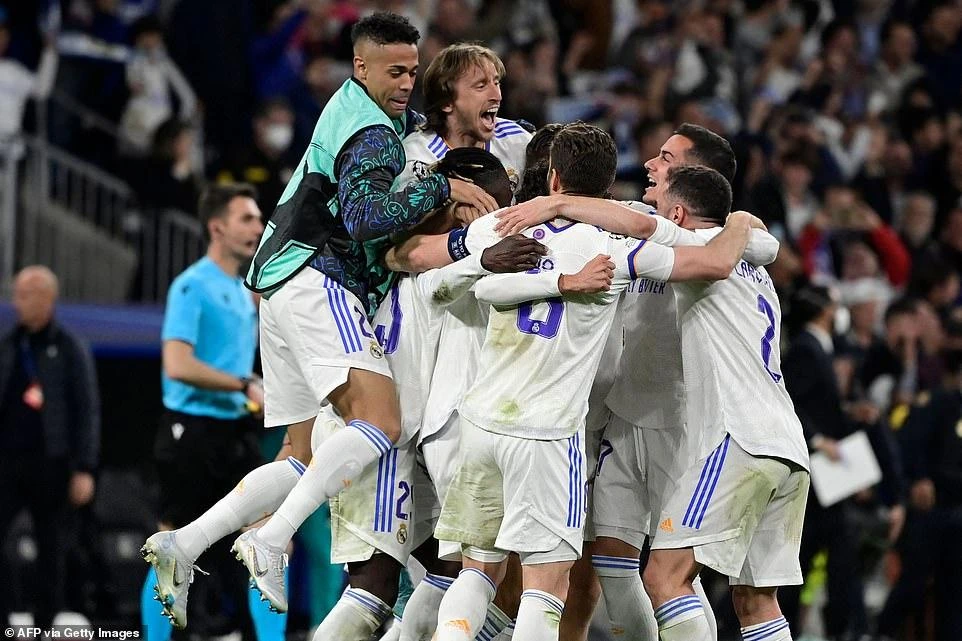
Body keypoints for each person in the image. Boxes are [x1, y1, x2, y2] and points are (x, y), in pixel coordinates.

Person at [155, 11, 496, 619]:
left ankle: (185, 543)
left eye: (412, 72)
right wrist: (442, 188)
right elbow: (365, 219)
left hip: (279, 281)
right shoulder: (373, 133)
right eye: (394, 72)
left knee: (301, 452)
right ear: (360, 66)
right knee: (381, 419)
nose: (405, 83)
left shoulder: (358, 108)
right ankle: (271, 539)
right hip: (320, 275)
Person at [431, 124, 756, 641]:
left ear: (553, 177)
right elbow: (712, 261)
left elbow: (443, 285)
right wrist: (564, 278)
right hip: (552, 431)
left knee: (478, 573)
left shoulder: (503, 229)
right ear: (606, 188)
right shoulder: (617, 247)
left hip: (484, 420)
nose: (651, 166)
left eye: (665, 158)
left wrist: (497, 258)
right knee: (548, 586)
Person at [639, 165, 810, 641]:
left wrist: (556, 203)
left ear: (678, 214)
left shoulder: (700, 247)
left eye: (661, 205)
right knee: (756, 600)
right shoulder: (758, 269)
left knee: (664, 577)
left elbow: (636, 227)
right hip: (787, 446)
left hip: (739, 439)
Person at [140, 183, 274, 636]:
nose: (258, 226)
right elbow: (177, 364)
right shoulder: (191, 285)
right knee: (172, 548)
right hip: (191, 434)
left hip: (236, 433)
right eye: (247, 218)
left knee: (266, 542)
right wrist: (244, 384)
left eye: (259, 218)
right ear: (217, 228)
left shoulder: (241, 289)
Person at [0, 266, 99, 629]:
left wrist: (85, 467)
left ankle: (44, 624)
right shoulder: (8, 345)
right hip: (8, 461)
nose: (16, 302)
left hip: (53, 463)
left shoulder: (70, 347)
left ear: (47, 299)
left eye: (24, 295)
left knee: (52, 549)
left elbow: (87, 409)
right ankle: (5, 615)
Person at [397, 42, 531, 193]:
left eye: (496, 83)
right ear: (447, 102)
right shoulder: (417, 159)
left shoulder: (518, 141)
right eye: (481, 86)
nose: (497, 96)